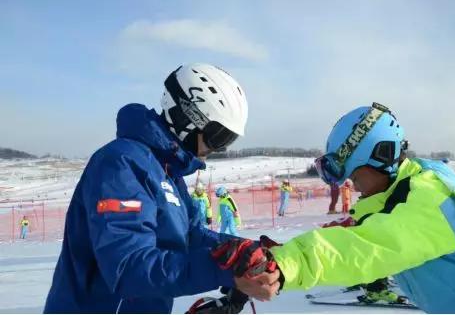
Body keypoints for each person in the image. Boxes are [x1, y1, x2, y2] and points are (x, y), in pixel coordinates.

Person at [44, 63, 280, 313]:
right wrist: (224, 269)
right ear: (187, 118)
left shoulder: (168, 173)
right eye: (219, 137)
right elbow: (127, 268)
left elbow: (191, 237)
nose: (219, 149)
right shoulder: (121, 163)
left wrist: (247, 251)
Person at [213, 102, 455, 313]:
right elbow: (354, 230)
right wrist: (271, 256)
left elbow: (363, 247)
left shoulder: (428, 199)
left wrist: (282, 267)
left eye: (356, 177)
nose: (356, 187)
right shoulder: (400, 191)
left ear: (380, 159)